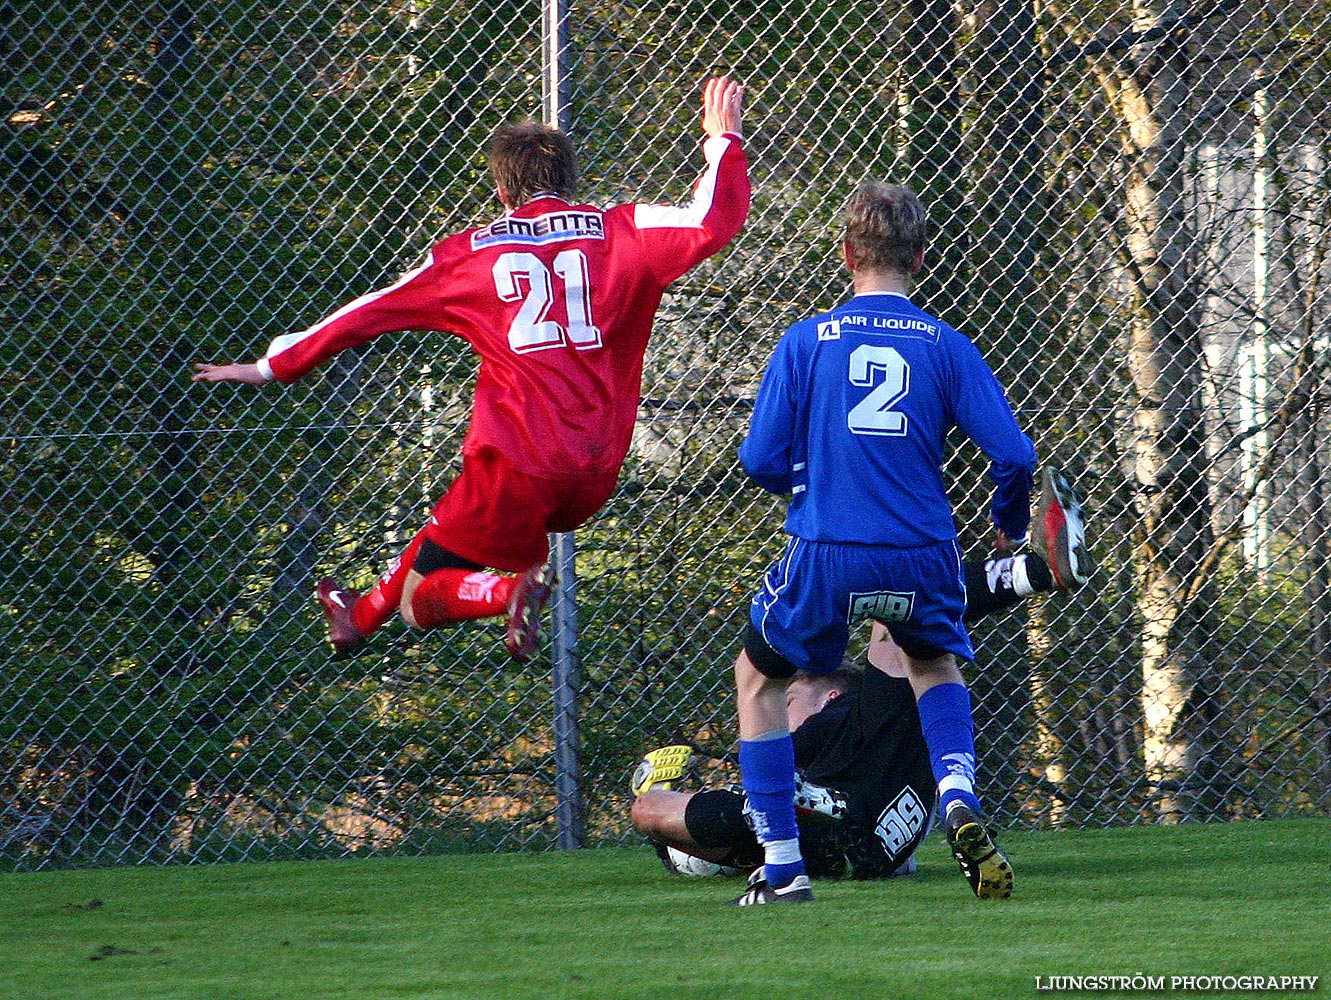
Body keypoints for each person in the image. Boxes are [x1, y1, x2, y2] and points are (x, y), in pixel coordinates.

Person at [193, 76, 749, 662]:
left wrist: (272, 365)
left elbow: (367, 312)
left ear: (503, 191)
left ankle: (506, 593)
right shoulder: (622, 232)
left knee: (421, 602)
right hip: (594, 470)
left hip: (516, 461)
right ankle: (356, 614)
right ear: (570, 180)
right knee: (432, 548)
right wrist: (722, 141)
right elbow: (712, 218)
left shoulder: (471, 255)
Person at [728, 182, 1071, 905]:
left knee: (759, 681)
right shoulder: (946, 346)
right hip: (921, 552)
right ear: (921, 256)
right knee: (932, 662)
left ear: (847, 253)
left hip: (826, 547)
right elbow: (1013, 454)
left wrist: (809, 487)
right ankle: (955, 794)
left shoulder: (805, 340)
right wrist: (1007, 518)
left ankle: (785, 872)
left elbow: (758, 457)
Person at [630, 521, 1088, 884]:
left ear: (829, 695)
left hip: (843, 833)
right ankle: (1025, 572)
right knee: (900, 616)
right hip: (870, 844)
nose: (777, 714)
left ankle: (715, 848)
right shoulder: (893, 718)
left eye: (787, 699)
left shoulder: (847, 715)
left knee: (651, 808)